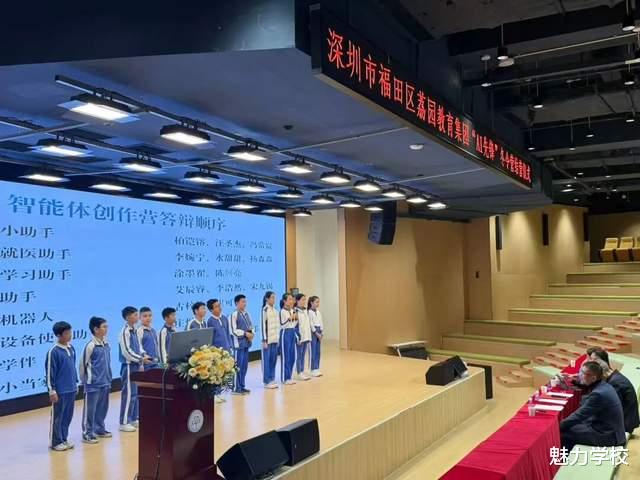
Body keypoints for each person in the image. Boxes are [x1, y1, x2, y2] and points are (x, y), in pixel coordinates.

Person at [560, 361, 626, 452]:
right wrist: (572, 380)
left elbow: (579, 415)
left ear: (593, 378)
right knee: (573, 425)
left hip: (608, 435)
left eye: (583, 373)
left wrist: (559, 425)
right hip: (609, 429)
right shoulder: (603, 385)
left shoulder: (598, 394)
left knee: (564, 433)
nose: (579, 375)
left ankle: (565, 458)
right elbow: (586, 385)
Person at [589, 348, 639, 434]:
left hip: (624, 425)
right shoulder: (614, 376)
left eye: (595, 360)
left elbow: (611, 410)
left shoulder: (615, 383)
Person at [45, 321, 78, 452]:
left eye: (70, 332)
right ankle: (55, 442)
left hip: (71, 389)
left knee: (67, 416)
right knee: (58, 417)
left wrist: (75, 383)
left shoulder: (71, 348)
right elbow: (50, 373)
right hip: (60, 390)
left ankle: (64, 438)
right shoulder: (53, 351)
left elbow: (73, 367)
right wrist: (51, 390)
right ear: (59, 335)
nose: (70, 335)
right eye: (67, 333)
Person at [79, 316, 112, 444]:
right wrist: (84, 380)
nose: (106, 329)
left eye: (106, 326)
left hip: (105, 381)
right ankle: (87, 433)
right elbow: (82, 364)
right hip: (92, 384)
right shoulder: (90, 345)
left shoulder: (106, 343)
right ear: (96, 329)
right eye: (104, 327)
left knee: (102, 408)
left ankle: (99, 429)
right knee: (90, 409)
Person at [118, 306, 150, 432]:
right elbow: (126, 351)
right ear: (127, 317)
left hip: (136, 365)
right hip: (128, 366)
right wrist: (141, 359)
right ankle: (124, 422)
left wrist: (144, 354)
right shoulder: (124, 332)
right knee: (128, 394)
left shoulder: (134, 330)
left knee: (135, 394)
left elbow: (138, 347)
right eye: (135, 315)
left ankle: (133, 418)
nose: (137, 317)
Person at [206, 299, 232, 403]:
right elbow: (210, 337)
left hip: (226, 350)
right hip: (216, 352)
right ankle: (215, 393)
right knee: (216, 373)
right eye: (216, 306)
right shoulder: (210, 321)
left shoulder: (224, 318)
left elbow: (228, 333)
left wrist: (230, 346)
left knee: (223, 373)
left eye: (219, 305)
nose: (219, 308)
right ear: (211, 310)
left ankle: (219, 393)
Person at [230, 294, 254, 395]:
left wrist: (252, 334)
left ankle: (242, 386)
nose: (245, 303)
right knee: (238, 367)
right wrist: (245, 333)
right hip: (238, 345)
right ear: (237, 303)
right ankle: (236, 388)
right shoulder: (234, 314)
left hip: (246, 344)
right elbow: (233, 330)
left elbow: (251, 326)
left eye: (245, 301)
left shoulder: (247, 314)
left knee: (244, 367)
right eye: (242, 301)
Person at [261, 291, 280, 389]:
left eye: (274, 297)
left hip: (275, 339)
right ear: (267, 299)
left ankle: (272, 378)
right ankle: (266, 381)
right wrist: (264, 340)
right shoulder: (264, 310)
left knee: (273, 360)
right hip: (267, 341)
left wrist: (278, 338)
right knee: (267, 361)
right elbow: (262, 326)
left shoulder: (276, 310)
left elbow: (278, 326)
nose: (274, 299)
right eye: (272, 297)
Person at [280, 293, 297, 385]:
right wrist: (290, 318)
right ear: (284, 301)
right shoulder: (282, 311)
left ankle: (289, 376)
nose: (291, 301)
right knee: (286, 356)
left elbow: (294, 323)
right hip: (285, 333)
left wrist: (295, 318)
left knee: (292, 356)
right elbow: (282, 324)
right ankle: (285, 378)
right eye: (289, 299)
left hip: (292, 332)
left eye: (292, 299)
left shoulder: (292, 310)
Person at [295, 293, 312, 381]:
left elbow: (307, 325)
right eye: (302, 300)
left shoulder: (305, 311)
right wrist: (298, 337)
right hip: (300, 338)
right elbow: (295, 326)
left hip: (306, 336)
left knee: (303, 355)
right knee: (299, 355)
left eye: (305, 300)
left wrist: (308, 336)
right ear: (297, 301)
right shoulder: (295, 311)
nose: (304, 301)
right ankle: (299, 372)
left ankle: (302, 370)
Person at [308, 296, 324, 377]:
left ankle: (317, 367)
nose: (318, 304)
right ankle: (312, 369)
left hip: (319, 330)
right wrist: (316, 332)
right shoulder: (309, 312)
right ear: (311, 303)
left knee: (318, 351)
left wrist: (322, 332)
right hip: (313, 332)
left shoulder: (318, 312)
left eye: (318, 302)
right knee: (313, 350)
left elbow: (321, 322)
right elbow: (310, 324)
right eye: (316, 302)